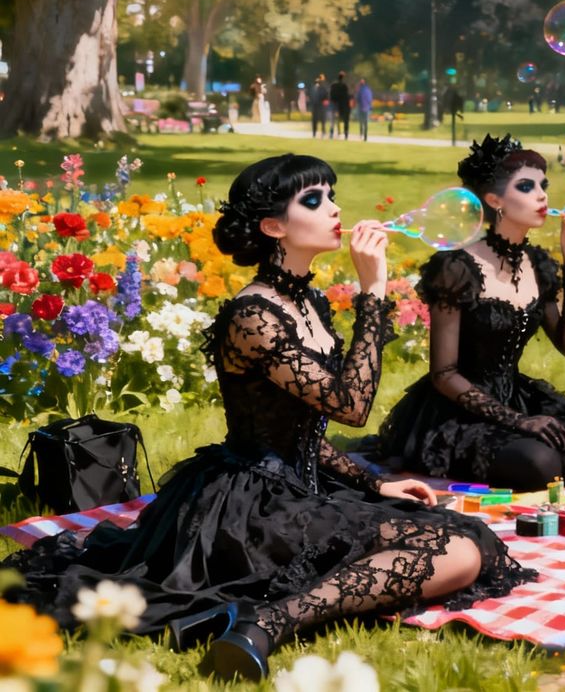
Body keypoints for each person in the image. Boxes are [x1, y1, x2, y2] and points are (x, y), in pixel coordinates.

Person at [2, 155, 535, 680]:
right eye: (314, 199)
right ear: (273, 226)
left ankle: (267, 617)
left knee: (460, 540)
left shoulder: (307, 303)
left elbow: (304, 431)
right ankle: (267, 624)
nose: (334, 208)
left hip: (299, 486)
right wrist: (373, 290)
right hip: (245, 506)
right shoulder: (253, 316)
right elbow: (351, 409)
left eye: (332, 194)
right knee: (453, 551)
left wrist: (375, 484)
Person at [381, 134, 565, 489]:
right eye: (527, 186)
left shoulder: (539, 264)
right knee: (539, 462)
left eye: (543, 185)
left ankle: (555, 472)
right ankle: (551, 470)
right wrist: (516, 422)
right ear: (494, 199)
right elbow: (443, 374)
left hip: (516, 394)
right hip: (460, 406)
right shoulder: (457, 269)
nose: (543, 195)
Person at [329, 71, 352, 141]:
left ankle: (332, 133)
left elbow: (331, 95)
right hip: (342, 105)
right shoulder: (344, 86)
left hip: (335, 104)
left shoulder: (333, 85)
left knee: (333, 120)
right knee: (345, 120)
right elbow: (347, 96)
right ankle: (345, 134)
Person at [355, 76, 373, 142]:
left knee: (362, 122)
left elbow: (357, 99)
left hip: (361, 108)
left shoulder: (360, 90)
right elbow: (370, 99)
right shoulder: (368, 90)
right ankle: (364, 136)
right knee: (365, 122)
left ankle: (362, 134)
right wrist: (370, 107)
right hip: (366, 108)